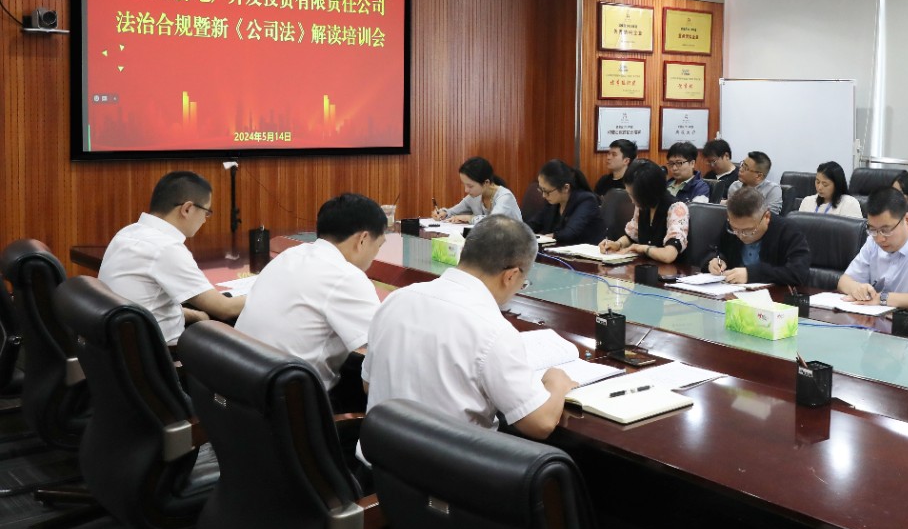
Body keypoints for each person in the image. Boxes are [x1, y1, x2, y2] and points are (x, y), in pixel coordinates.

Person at [364, 216, 577, 439]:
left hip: (376, 454)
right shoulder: (494, 330)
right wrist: (556, 383)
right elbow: (541, 423)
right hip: (447, 460)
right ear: (511, 275)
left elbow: (368, 384)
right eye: (522, 283)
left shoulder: (397, 299)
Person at [235, 193, 385, 410]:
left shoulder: (289, 255)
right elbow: (384, 348)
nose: (375, 255)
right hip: (289, 409)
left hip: (242, 391)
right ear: (362, 239)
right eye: (378, 245)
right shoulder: (345, 277)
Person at [100, 170, 244, 345]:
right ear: (187, 209)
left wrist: (196, 315)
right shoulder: (166, 248)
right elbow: (225, 308)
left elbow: (150, 305)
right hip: (167, 354)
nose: (205, 220)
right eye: (206, 212)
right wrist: (264, 295)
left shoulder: (127, 233)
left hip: (123, 346)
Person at [837, 188, 908, 312]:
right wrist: (857, 289)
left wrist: (882, 298)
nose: (879, 238)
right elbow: (844, 281)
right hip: (877, 319)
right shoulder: (872, 242)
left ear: (907, 220)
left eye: (886, 230)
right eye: (873, 229)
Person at [701, 186, 812, 286]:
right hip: (732, 293)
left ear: (767, 217)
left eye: (748, 230)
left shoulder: (788, 231)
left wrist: (752, 274)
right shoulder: (732, 226)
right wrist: (715, 261)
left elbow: (798, 274)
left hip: (773, 297)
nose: (741, 235)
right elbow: (714, 251)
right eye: (735, 229)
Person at [599, 161, 690, 263]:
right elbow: (632, 236)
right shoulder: (643, 206)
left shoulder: (677, 208)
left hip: (672, 270)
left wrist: (643, 248)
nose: (632, 201)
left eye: (633, 195)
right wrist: (617, 244)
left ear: (647, 193)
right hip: (646, 267)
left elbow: (669, 255)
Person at [525, 159, 605, 246]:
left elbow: (570, 232)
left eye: (547, 191)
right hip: (559, 250)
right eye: (541, 190)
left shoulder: (587, 201)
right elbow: (534, 224)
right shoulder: (553, 202)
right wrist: (520, 232)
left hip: (585, 252)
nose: (543, 195)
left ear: (565, 188)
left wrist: (549, 237)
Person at [433, 156, 519, 224]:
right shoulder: (475, 196)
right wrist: (443, 213)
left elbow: (493, 222)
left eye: (470, 186)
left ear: (486, 183)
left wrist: (470, 218)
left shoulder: (505, 197)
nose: (466, 190)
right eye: (464, 185)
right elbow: (453, 212)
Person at [797, 160, 862, 217]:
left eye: (825, 184)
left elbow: (855, 227)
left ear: (837, 185)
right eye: (817, 182)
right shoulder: (807, 202)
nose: (819, 187)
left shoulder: (849, 204)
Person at [735, 151, 784, 216]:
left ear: (759, 176)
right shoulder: (735, 186)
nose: (740, 169)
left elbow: (770, 216)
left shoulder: (773, 190)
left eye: (745, 168)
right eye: (742, 164)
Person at [663, 140, 711, 205]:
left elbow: (695, 210)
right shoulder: (666, 184)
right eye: (671, 163)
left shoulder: (700, 188)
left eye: (679, 163)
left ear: (692, 163)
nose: (674, 168)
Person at [701, 138, 739, 203]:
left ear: (726, 156)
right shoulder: (709, 175)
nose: (712, 165)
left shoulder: (739, 177)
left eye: (714, 161)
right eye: (709, 162)